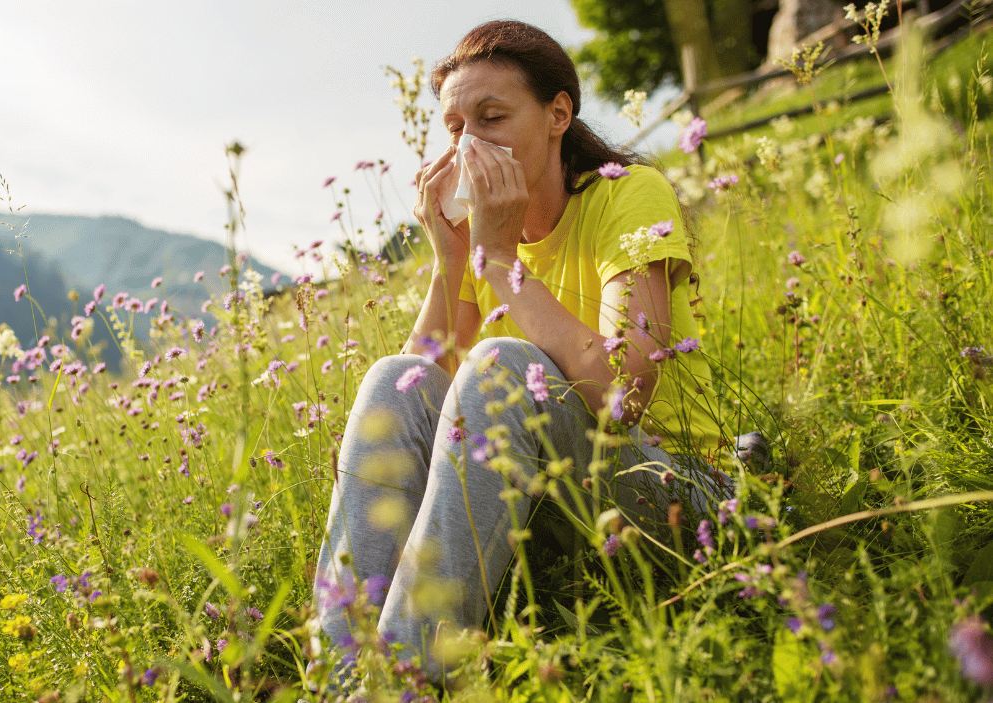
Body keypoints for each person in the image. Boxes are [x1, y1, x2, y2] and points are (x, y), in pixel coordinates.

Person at [312, 19, 728, 685]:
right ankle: (337, 680)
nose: (470, 143)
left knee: (505, 364)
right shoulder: (484, 238)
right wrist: (453, 261)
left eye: (493, 117)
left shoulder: (628, 194)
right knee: (394, 376)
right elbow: (410, 413)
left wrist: (499, 259)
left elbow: (621, 396)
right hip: (560, 506)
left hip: (676, 497)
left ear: (558, 113)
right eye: (454, 128)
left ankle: (397, 687)